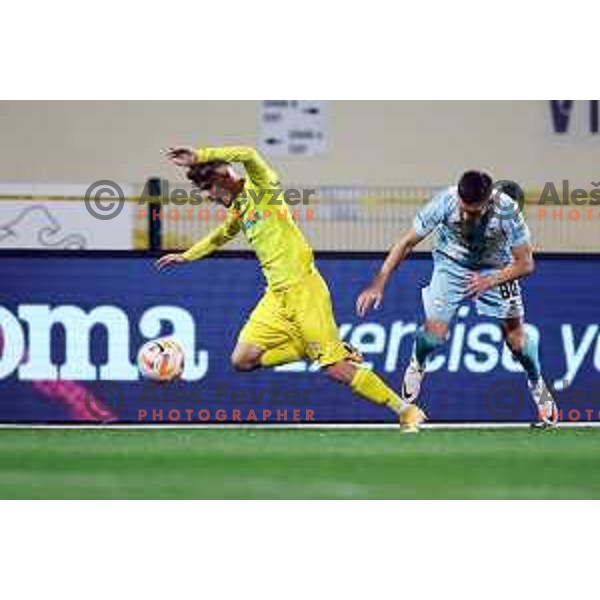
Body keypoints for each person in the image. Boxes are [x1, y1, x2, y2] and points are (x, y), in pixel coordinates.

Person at [156, 145, 425, 432]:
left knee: (335, 369)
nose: (208, 197)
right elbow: (219, 236)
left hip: (304, 291)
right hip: (276, 296)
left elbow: (248, 154)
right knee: (242, 360)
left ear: (223, 178)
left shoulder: (263, 188)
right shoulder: (239, 208)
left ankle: (405, 410)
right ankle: (314, 348)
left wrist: (200, 156)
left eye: (208, 189)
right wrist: (186, 255)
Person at [356, 171, 558, 428]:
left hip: (496, 268)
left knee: (517, 341)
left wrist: (491, 280)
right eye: (463, 209)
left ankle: (537, 383)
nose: (465, 216)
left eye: (472, 213)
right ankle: (418, 363)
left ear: (488, 202)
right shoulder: (445, 202)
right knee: (434, 336)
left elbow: (526, 263)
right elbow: (406, 242)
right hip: (452, 264)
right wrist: (379, 283)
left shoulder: (507, 212)